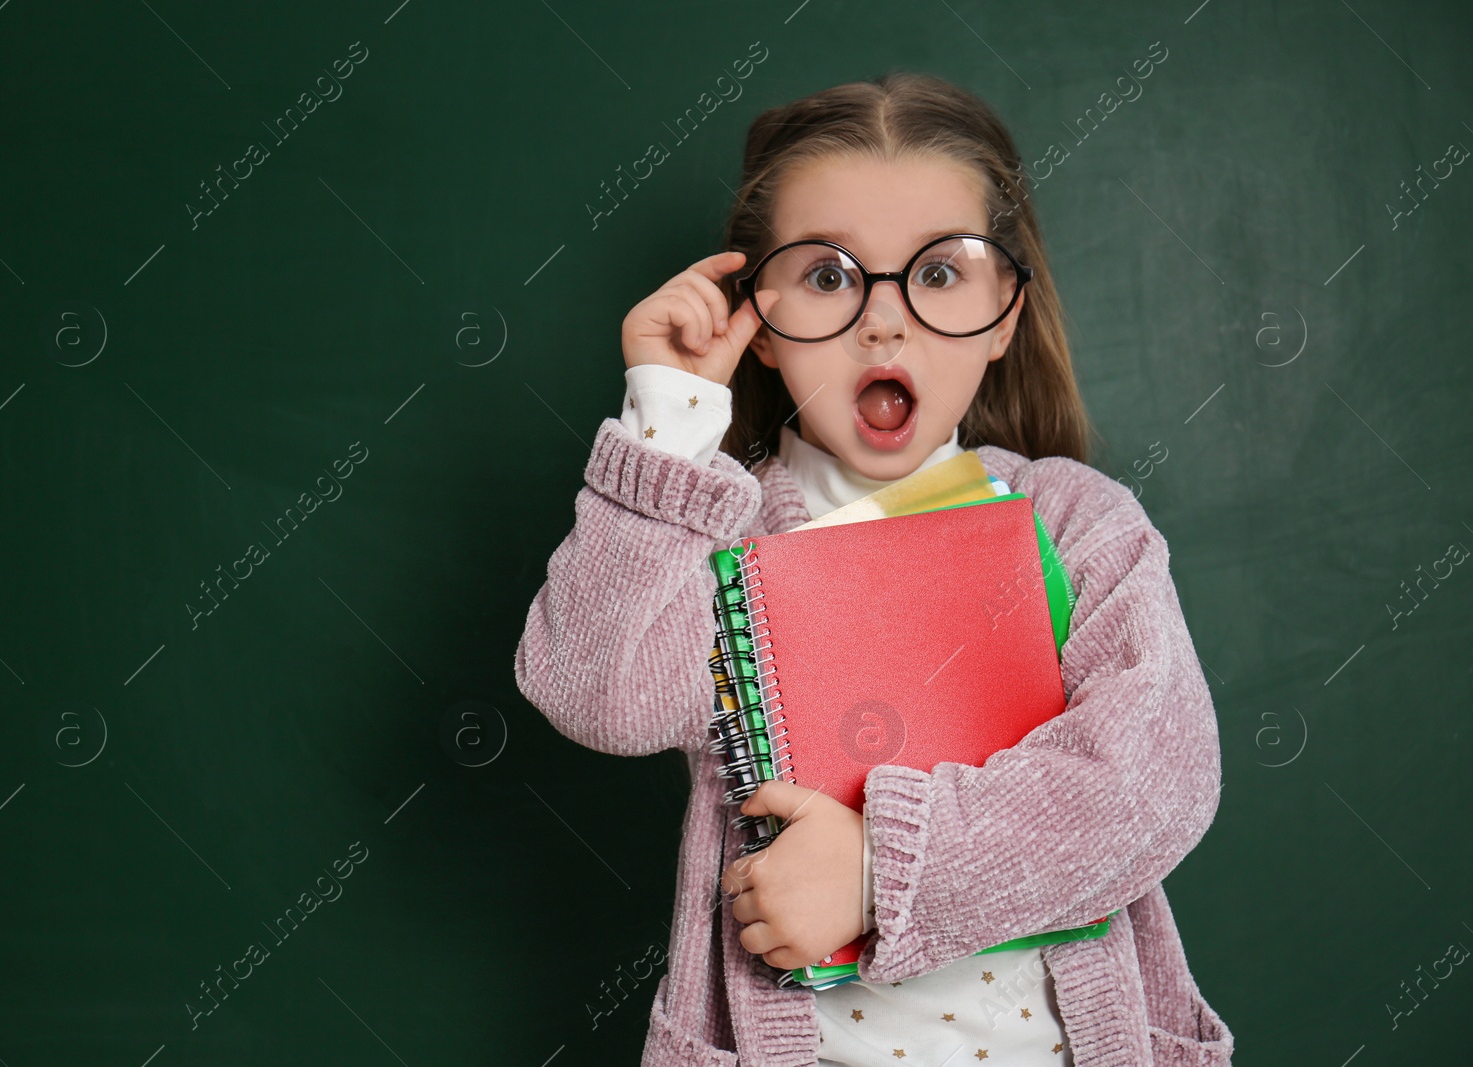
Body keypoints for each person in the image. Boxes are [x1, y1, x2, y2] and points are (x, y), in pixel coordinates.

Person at [515, 72, 1234, 1066]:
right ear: (757, 321)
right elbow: (601, 695)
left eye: (939, 274)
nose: (882, 322)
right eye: (826, 276)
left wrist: (878, 870)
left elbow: (1152, 779)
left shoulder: (1076, 525)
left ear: (1003, 313)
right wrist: (665, 421)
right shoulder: (722, 538)